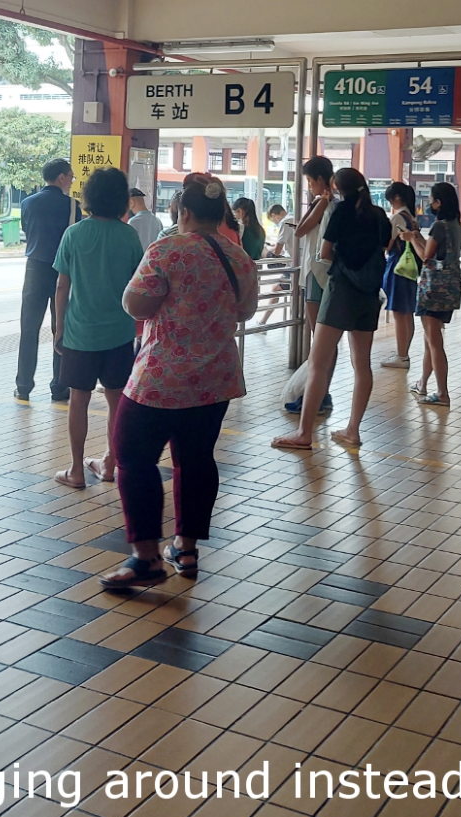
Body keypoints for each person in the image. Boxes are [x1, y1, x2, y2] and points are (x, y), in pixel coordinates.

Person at [99, 174, 258, 590]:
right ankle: (185, 549)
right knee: (196, 459)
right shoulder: (238, 256)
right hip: (216, 378)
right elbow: (246, 311)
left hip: (161, 377)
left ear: (183, 212)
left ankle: (146, 558)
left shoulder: (166, 250)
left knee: (132, 456)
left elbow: (134, 304)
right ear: (221, 213)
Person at [272, 167, 388, 449]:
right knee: (362, 365)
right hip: (369, 294)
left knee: (319, 363)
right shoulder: (379, 215)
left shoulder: (342, 212)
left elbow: (325, 253)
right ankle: (353, 430)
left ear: (337, 187)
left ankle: (304, 434)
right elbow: (383, 248)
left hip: (341, 292)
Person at [51, 167, 143, 489]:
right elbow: (138, 284)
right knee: (116, 399)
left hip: (80, 332)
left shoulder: (74, 234)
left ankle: (77, 470)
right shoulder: (129, 235)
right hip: (119, 332)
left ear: (88, 197)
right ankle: (109, 463)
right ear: (121, 199)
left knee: (79, 398)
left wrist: (58, 329)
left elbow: (63, 287)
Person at [15, 158, 80, 402]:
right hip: (62, 271)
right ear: (61, 177)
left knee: (29, 328)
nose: (72, 181)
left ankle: (23, 386)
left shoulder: (27, 203)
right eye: (71, 177)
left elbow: (27, 231)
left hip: (34, 268)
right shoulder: (73, 206)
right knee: (60, 328)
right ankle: (60, 386)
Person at [401, 182, 461, 406]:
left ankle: (442, 393)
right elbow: (437, 252)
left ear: (440, 202)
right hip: (450, 287)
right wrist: (417, 236)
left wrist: (411, 240)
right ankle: (423, 383)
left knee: (434, 342)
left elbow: (426, 257)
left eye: (432, 199)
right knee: (431, 339)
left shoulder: (439, 225)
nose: (430, 203)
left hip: (433, 289)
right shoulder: (455, 224)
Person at [285, 156, 338, 415]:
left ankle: (315, 396)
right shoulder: (332, 203)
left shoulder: (328, 205)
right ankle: (321, 393)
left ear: (319, 180)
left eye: (309, 181)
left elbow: (300, 230)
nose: (309, 187)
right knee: (326, 341)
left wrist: (320, 202)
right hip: (325, 276)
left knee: (320, 341)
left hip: (318, 275)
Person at [380, 181, 420, 370]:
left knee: (399, 313)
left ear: (396, 198)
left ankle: (401, 356)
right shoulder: (411, 216)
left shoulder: (397, 218)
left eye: (390, 200)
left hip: (398, 266)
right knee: (407, 312)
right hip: (410, 267)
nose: (390, 204)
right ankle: (404, 353)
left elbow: (388, 245)